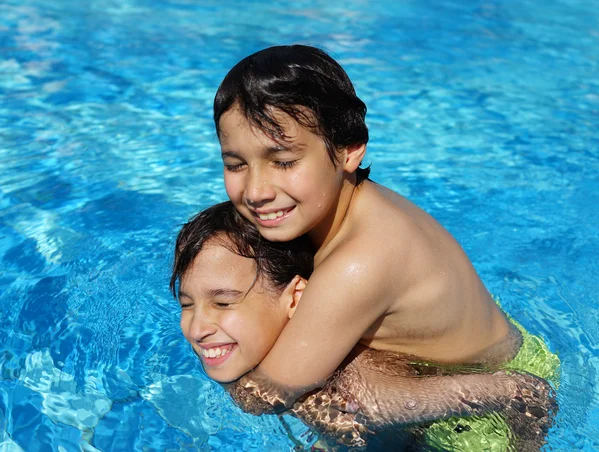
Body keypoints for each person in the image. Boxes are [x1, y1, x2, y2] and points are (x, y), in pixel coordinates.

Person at [211, 44, 560, 447]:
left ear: (349, 151)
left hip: (486, 416)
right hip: (491, 355)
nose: (255, 190)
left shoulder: (359, 262)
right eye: (236, 164)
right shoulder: (354, 205)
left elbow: (262, 396)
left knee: (332, 394)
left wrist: (218, 347)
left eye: (284, 161)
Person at [170, 202, 556, 450]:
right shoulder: (288, 365)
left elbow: (526, 392)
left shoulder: (358, 387)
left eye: (223, 302)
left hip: (497, 386)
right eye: (186, 304)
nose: (198, 326)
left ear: (296, 298)